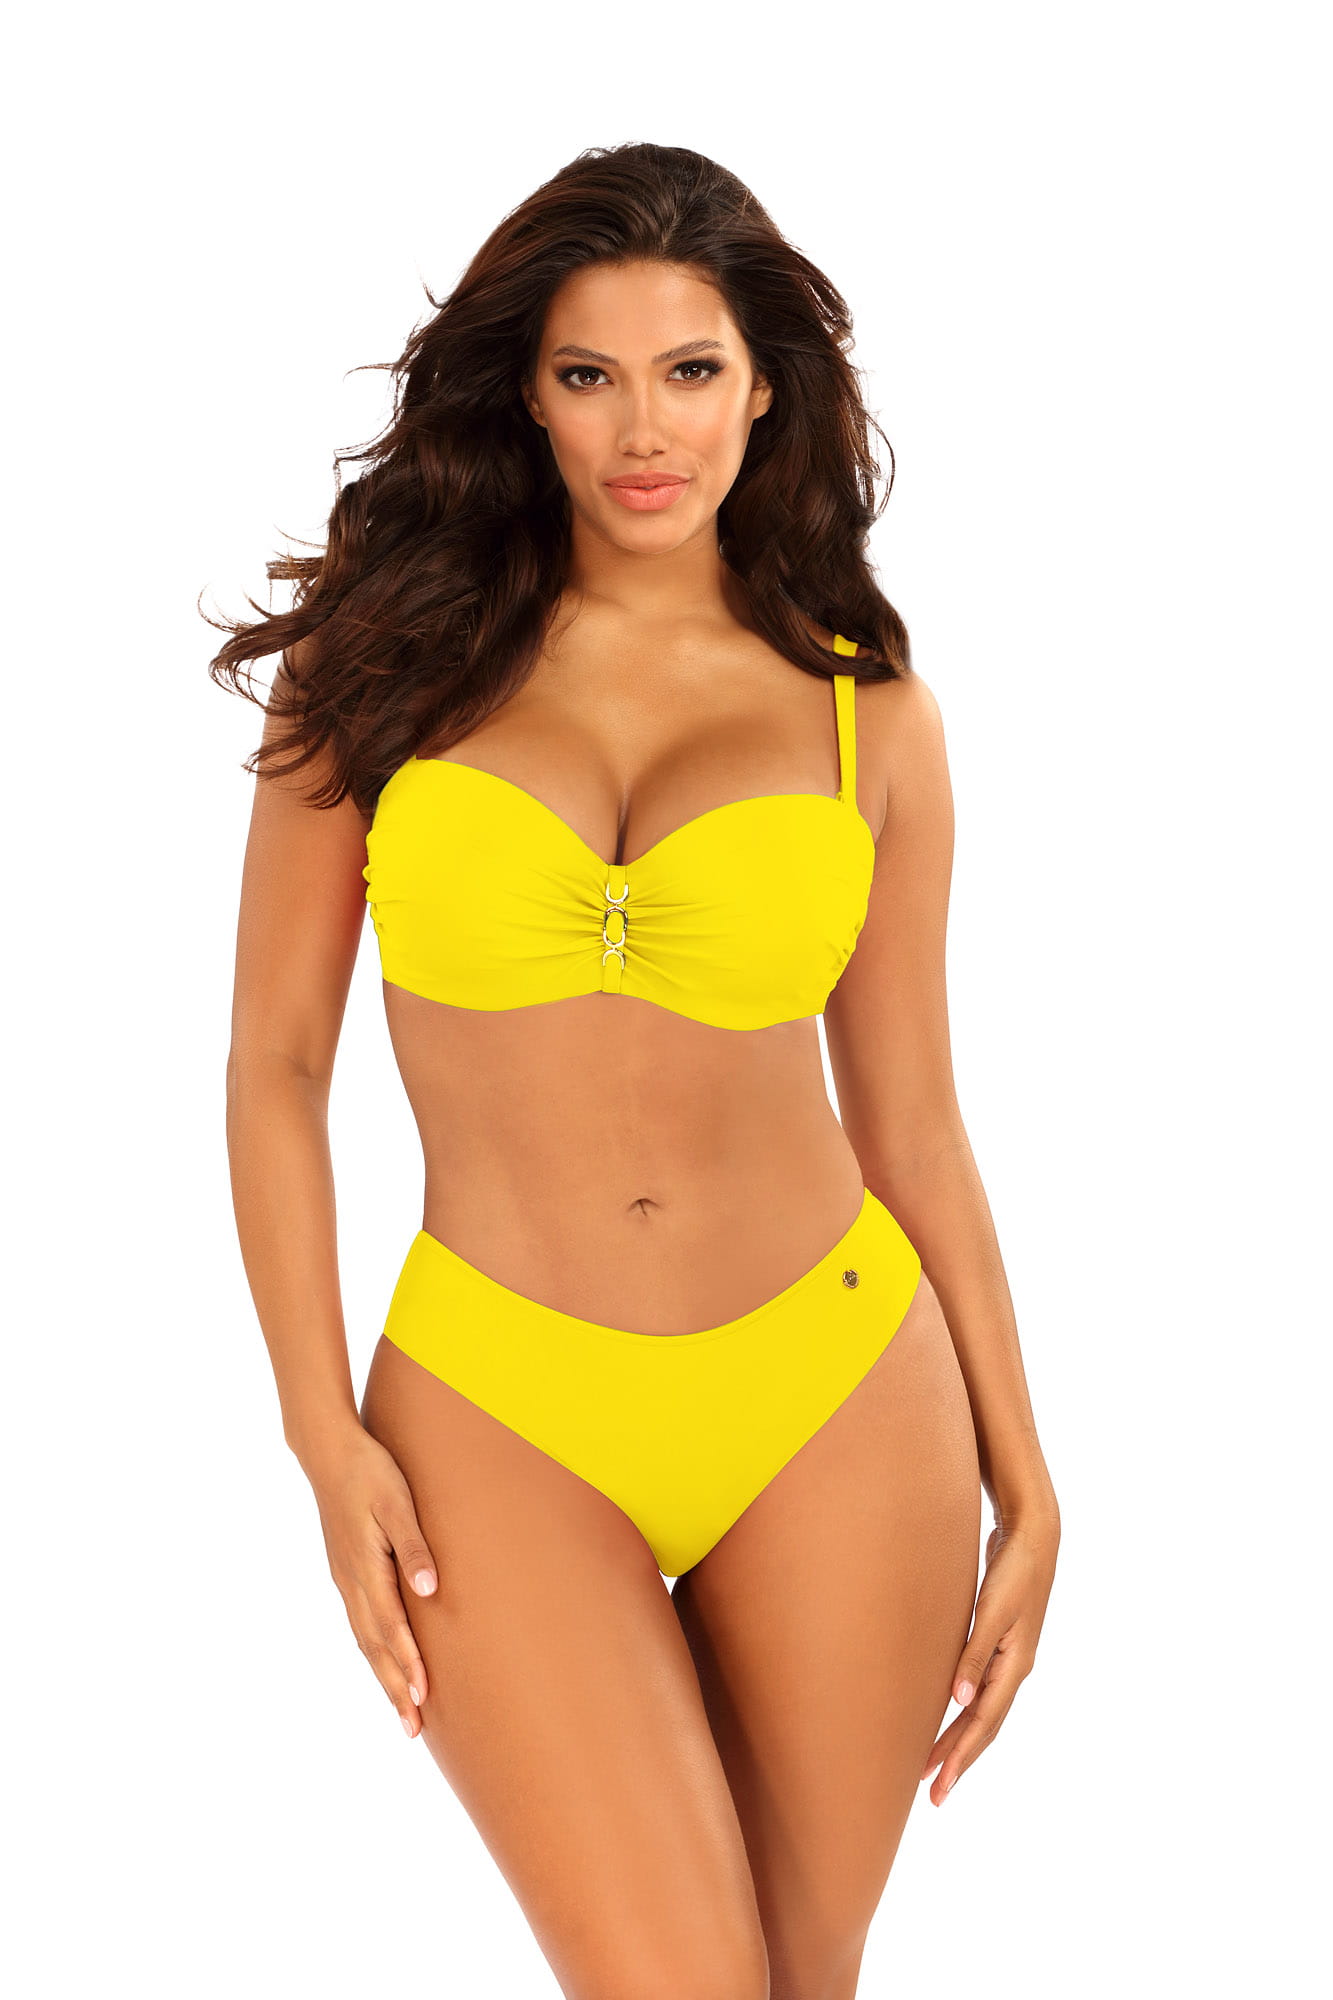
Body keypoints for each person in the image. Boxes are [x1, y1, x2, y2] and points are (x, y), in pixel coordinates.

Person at [214, 141, 1059, 2000]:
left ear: (764, 387)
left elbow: (913, 1119)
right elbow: (274, 1061)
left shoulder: (867, 713)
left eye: (690, 370)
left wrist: (1029, 1473)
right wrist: (315, 1430)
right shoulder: (375, 673)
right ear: (525, 394)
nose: (643, 428)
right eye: (589, 374)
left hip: (839, 1390)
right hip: (493, 1405)